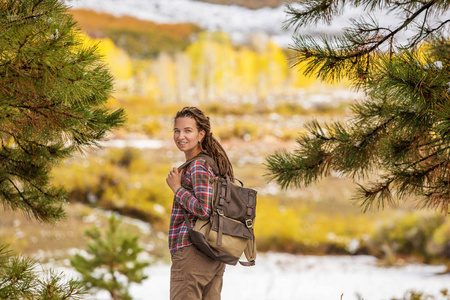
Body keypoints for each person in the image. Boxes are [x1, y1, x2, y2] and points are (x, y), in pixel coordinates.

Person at [166, 106, 234, 300]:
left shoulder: (198, 165)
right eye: (177, 131)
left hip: (192, 252)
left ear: (201, 134)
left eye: (188, 130)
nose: (180, 136)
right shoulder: (208, 163)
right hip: (211, 254)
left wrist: (177, 189)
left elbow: (205, 209)